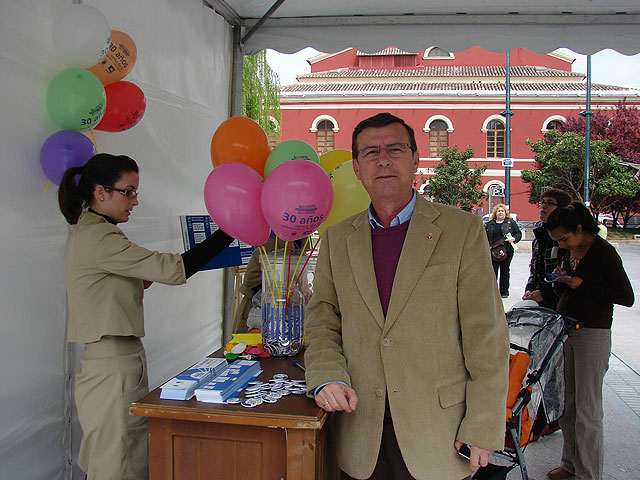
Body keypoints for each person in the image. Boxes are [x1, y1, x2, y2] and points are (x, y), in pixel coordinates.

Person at [303, 112, 509, 480]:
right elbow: (322, 319)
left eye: (395, 149)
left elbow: (487, 336)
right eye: (370, 152)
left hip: (441, 434)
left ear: (415, 159)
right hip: (360, 429)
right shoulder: (336, 239)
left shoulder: (461, 230)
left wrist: (483, 424)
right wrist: (326, 375)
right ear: (356, 167)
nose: (383, 159)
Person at [58, 153, 234, 480]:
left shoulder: (97, 232)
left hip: (117, 358)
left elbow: (145, 275)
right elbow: (171, 270)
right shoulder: (99, 238)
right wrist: (225, 234)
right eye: (128, 192)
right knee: (118, 460)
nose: (135, 201)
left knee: (121, 451)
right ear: (100, 192)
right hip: (112, 361)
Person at [545, 202, 634, 480]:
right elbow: (564, 289)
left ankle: (588, 473)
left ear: (580, 229)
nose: (562, 245)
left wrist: (581, 284)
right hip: (567, 330)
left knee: (587, 409)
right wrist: (561, 280)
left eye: (565, 238)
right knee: (567, 405)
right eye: (558, 241)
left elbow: (625, 296)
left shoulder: (604, 253)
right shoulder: (566, 251)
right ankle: (570, 463)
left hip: (592, 333)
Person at [522, 188, 573, 309]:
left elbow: (567, 276)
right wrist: (529, 289)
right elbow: (535, 271)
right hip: (537, 301)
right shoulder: (539, 236)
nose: (543, 206)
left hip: (559, 303)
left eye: (550, 203)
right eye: (542, 202)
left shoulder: (566, 238)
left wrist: (545, 293)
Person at [485, 203, 522, 298]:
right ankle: (492, 291)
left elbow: (518, 233)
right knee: (493, 271)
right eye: (498, 211)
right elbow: (484, 236)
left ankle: (504, 292)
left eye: (502, 211)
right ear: (495, 213)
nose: (500, 213)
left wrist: (513, 239)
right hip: (493, 251)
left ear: (506, 213)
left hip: (507, 250)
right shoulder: (490, 224)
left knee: (505, 270)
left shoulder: (510, 223)